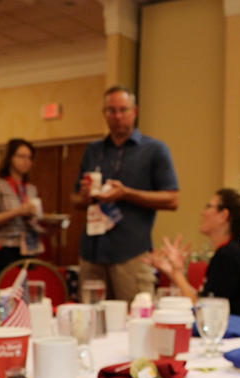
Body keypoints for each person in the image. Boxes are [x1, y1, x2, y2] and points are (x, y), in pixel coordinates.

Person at [71, 85, 179, 302]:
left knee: (135, 321)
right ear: (104, 113)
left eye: (123, 110)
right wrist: (85, 195)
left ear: (135, 111)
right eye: (111, 111)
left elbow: (172, 199)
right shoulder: (93, 150)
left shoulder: (154, 149)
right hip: (92, 252)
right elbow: (74, 198)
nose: (117, 116)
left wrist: (125, 193)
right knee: (92, 322)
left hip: (131, 252)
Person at [148, 189, 240, 322]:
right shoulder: (232, 251)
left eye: (208, 206)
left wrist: (177, 275)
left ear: (223, 215)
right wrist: (174, 272)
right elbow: (203, 301)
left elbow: (204, 310)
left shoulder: (229, 255)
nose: (203, 212)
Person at [0, 139, 52, 282]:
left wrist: (48, 228)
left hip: (28, 248)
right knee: (4, 293)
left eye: (29, 158)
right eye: (21, 156)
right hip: (3, 250)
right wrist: (17, 212)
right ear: (9, 158)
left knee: (26, 294)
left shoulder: (30, 188)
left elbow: (33, 224)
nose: (26, 161)